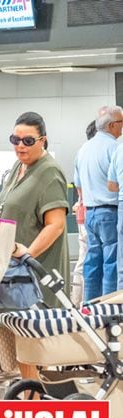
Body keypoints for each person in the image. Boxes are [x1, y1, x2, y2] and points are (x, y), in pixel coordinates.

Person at [0, 111, 69, 383]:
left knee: (33, 346)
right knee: (19, 346)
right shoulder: (18, 167)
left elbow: (55, 225)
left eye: (28, 140)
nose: (20, 145)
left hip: (34, 275)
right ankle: (30, 396)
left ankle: (33, 399)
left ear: (43, 140)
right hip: (12, 274)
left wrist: (28, 253)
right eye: (15, 139)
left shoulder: (50, 172)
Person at [74, 105, 123, 301]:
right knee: (111, 263)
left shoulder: (83, 149)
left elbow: (78, 185)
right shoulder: (114, 148)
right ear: (112, 125)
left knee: (92, 262)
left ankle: (89, 307)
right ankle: (109, 308)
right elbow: (115, 182)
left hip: (90, 214)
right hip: (109, 212)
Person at [71, 120, 97, 306]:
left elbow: (78, 185)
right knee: (91, 261)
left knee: (83, 261)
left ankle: (77, 304)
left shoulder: (81, 152)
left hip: (83, 211)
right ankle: (88, 305)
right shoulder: (102, 152)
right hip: (93, 211)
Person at [106, 109, 123, 290]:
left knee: (121, 264)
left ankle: (119, 310)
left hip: (121, 206)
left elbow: (111, 185)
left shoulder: (119, 150)